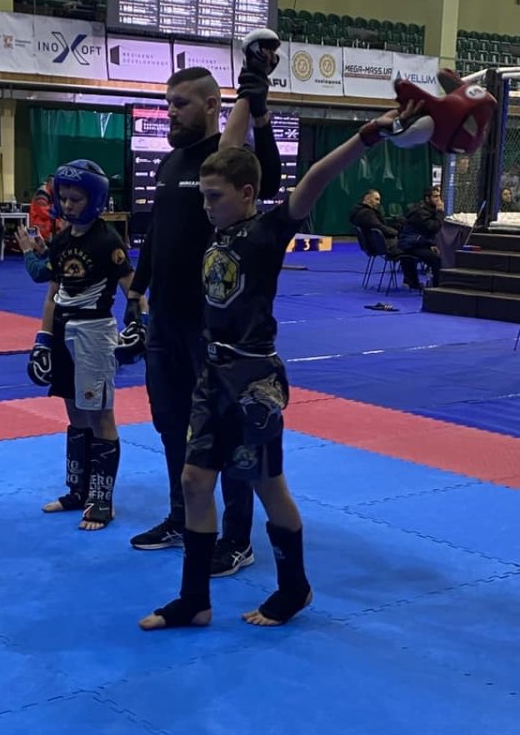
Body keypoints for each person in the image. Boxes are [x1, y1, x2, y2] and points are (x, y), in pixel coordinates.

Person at [138, 95, 423, 631]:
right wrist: (247, 96)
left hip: (253, 380)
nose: (206, 206)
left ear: (247, 194)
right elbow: (227, 149)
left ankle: (294, 588)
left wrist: (369, 134)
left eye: (215, 197)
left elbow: (316, 176)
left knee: (268, 485)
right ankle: (194, 600)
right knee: (195, 480)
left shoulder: (269, 231)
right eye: (203, 197)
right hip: (212, 374)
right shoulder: (218, 226)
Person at [125, 41, 283, 577]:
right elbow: (158, 233)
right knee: (171, 425)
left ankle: (237, 538)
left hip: (210, 328)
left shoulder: (222, 158)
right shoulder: (170, 163)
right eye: (167, 104)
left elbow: (264, 171)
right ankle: (181, 517)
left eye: (180, 104)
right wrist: (136, 291)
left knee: (226, 432)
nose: (170, 112)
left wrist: (254, 92)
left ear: (212, 105)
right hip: (164, 321)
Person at [27, 160, 134, 530]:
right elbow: (51, 296)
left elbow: (132, 289)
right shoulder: (60, 240)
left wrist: (139, 325)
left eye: (77, 198)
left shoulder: (108, 241)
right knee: (74, 412)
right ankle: (78, 490)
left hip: (94, 333)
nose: (69, 205)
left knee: (100, 414)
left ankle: (102, 500)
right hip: (62, 330)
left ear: (95, 199)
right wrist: (43, 340)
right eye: (65, 198)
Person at [398, 186, 444, 289]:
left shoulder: (425, 209)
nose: (439, 200)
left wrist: (430, 245)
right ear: (427, 199)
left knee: (435, 254)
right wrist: (440, 213)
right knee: (436, 259)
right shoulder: (420, 212)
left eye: (439, 196)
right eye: (435, 197)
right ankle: (437, 289)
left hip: (416, 242)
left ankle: (413, 281)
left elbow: (424, 233)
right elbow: (433, 228)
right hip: (410, 245)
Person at [349, 189, 402, 254]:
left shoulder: (359, 212)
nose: (378, 202)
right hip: (379, 245)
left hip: (374, 244)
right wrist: (397, 233)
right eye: (376, 199)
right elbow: (380, 227)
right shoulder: (367, 214)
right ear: (367, 199)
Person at [29, 174, 58, 242]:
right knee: (36, 247)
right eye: (55, 184)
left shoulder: (49, 194)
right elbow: (43, 212)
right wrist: (58, 211)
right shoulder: (42, 195)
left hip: (42, 231)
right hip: (39, 232)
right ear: (50, 183)